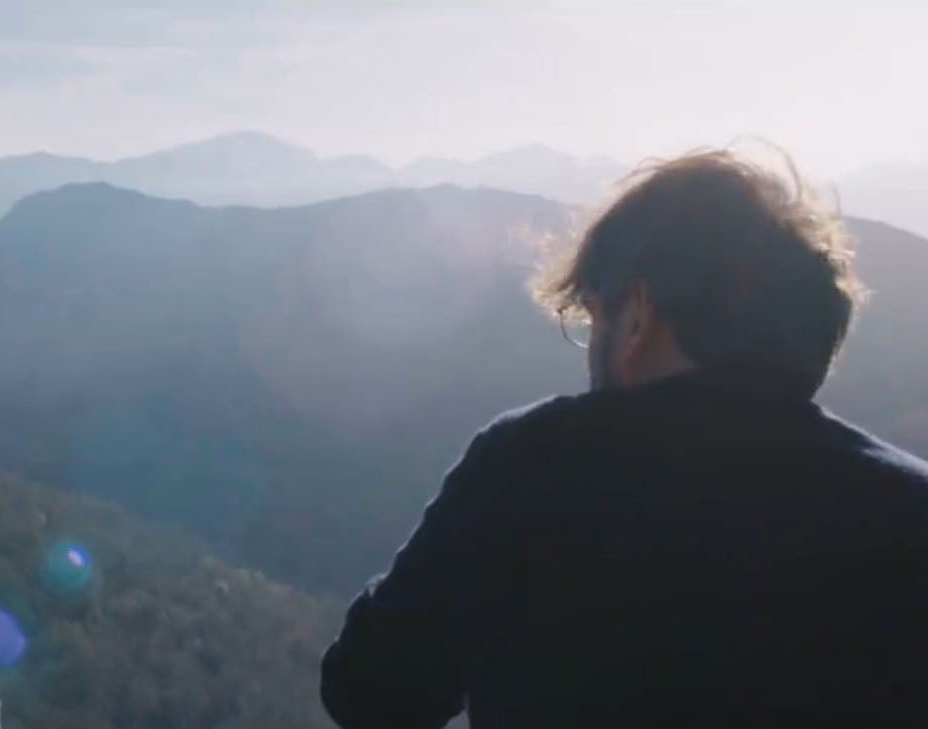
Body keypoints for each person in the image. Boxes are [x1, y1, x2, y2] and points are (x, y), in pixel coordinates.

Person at [321, 149, 928, 727]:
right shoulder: (908, 508)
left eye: (594, 318)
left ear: (638, 312)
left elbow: (371, 693)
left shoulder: (532, 467)